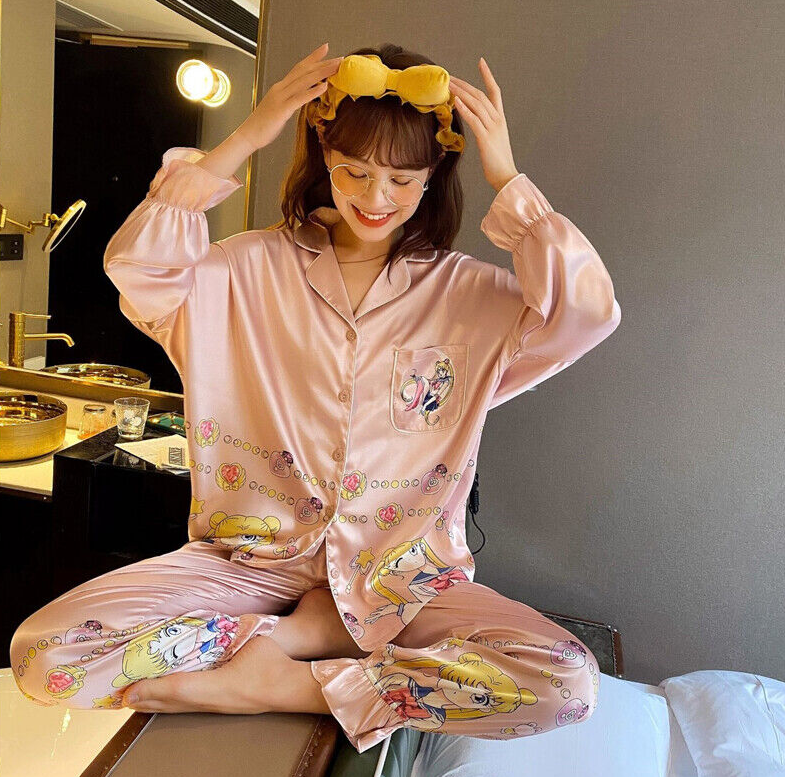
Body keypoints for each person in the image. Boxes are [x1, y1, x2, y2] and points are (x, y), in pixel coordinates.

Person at [10, 42, 621, 753]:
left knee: (566, 682)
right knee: (45, 654)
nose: (375, 197)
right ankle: (310, 633)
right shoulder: (240, 271)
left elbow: (586, 313)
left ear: (432, 177)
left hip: (404, 581)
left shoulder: (472, 297)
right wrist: (245, 136)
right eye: (354, 171)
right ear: (323, 156)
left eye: (401, 178)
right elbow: (141, 269)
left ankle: (284, 671)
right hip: (249, 564)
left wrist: (508, 180)